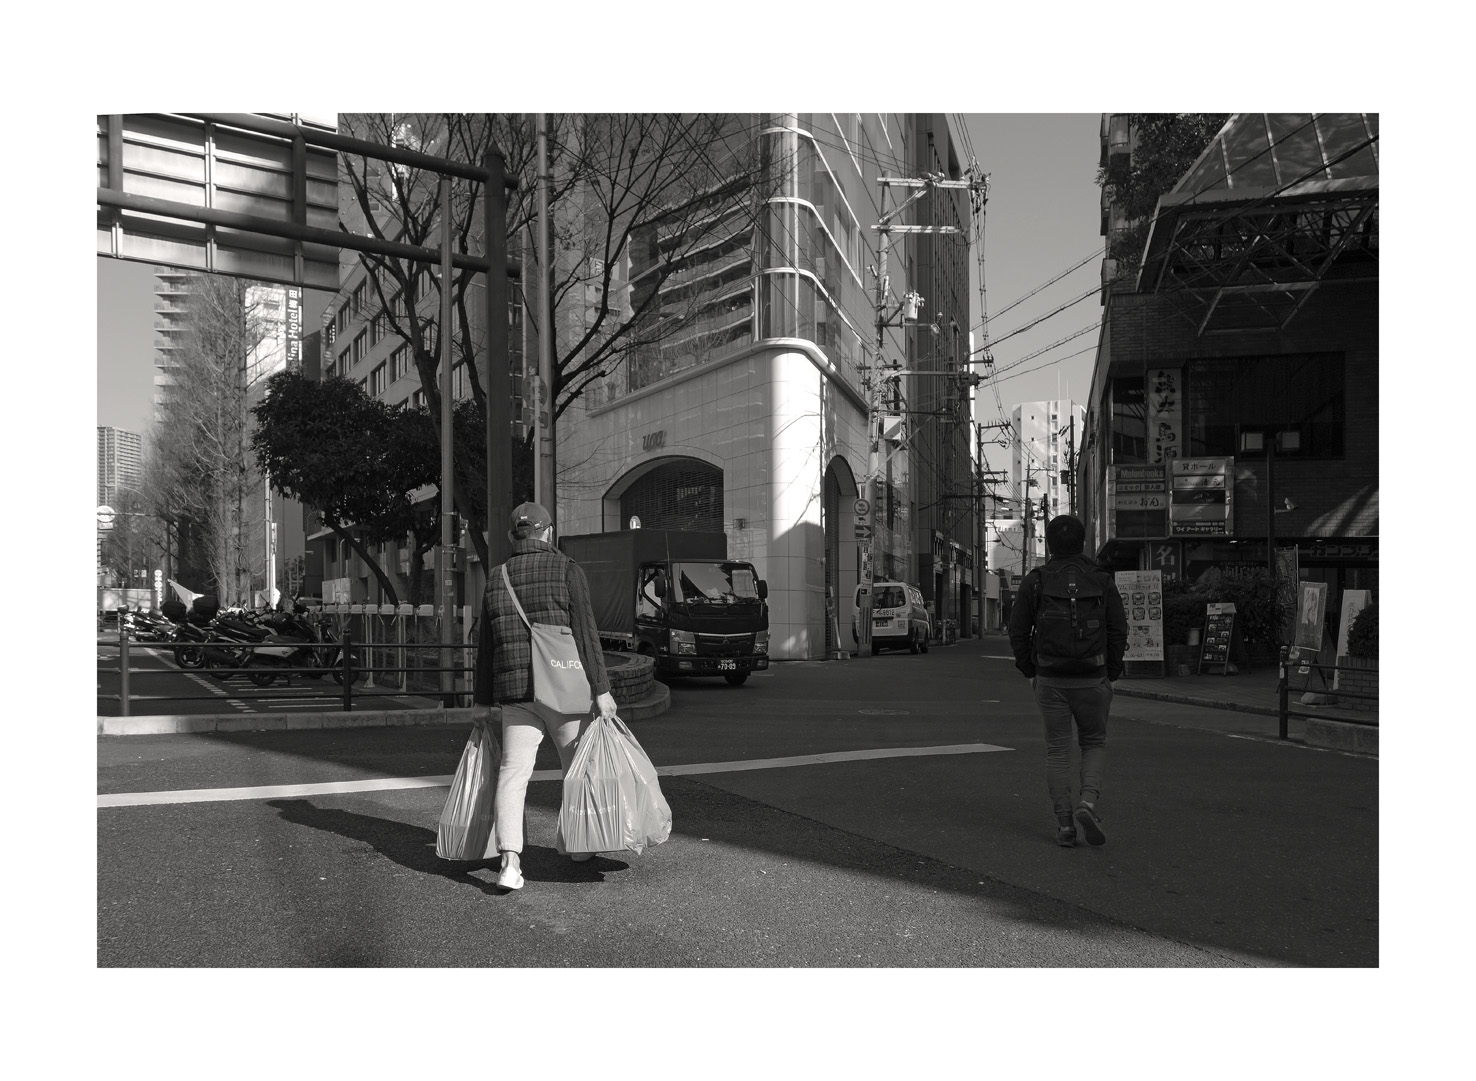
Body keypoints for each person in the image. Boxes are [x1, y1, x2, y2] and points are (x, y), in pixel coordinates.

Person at [472, 502, 618, 891]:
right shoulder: (568, 569)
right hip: (564, 691)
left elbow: (486, 645)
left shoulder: (497, 576)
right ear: (549, 532)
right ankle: (579, 846)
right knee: (577, 768)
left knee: (513, 773)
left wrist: (481, 699)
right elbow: (586, 634)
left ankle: (509, 862)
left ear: (512, 536)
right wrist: (602, 689)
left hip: (516, 693)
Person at [1007, 515, 1128, 848]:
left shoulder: (1036, 581)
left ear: (1048, 545)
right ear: (1083, 542)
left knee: (1058, 750)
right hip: (1093, 677)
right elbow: (1118, 630)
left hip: (1051, 678)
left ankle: (1064, 826)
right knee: (1094, 743)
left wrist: (1031, 671)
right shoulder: (1101, 580)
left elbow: (1017, 631)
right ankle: (1087, 803)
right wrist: (1111, 673)